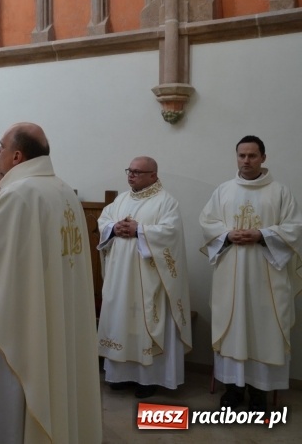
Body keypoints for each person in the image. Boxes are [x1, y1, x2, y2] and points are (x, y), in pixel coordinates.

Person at [0, 123, 102, 444]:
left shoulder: (19, 193)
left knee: (11, 391)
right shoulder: (62, 190)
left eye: (0, 147)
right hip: (56, 311)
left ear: (16, 156)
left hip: (22, 322)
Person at [200, 135, 302, 410]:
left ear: (263, 158)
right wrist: (227, 233)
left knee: (263, 329)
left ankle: (260, 393)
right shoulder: (223, 190)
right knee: (234, 328)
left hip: (267, 275)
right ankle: (233, 389)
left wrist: (262, 234)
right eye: (241, 155)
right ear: (236, 157)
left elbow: (294, 228)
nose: (246, 161)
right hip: (230, 274)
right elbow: (208, 223)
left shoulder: (280, 192)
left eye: (252, 156)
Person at [97, 156, 192, 399]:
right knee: (120, 320)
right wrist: (113, 228)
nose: (131, 175)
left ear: (153, 175)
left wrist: (139, 230)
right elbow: (104, 220)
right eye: (129, 170)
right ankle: (119, 375)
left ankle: (147, 379)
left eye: (138, 172)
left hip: (149, 277)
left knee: (145, 321)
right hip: (120, 275)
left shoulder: (166, 202)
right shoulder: (121, 199)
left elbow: (170, 233)